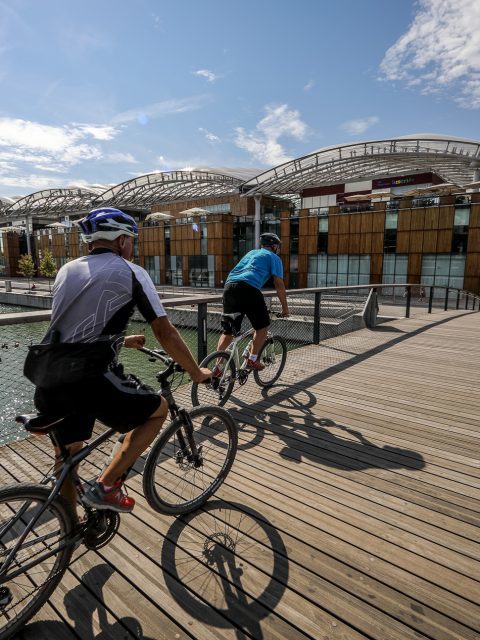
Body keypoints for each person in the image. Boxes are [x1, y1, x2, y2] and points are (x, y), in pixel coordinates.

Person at [32, 207, 211, 514]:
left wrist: (122, 340)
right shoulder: (131, 271)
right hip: (89, 378)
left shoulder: (67, 269)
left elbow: (72, 325)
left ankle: (68, 529)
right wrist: (196, 372)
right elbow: (165, 332)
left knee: (67, 457)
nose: (132, 246)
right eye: (132, 240)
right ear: (121, 241)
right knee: (159, 410)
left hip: (48, 373)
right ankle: (106, 486)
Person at [215, 232, 289, 372]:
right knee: (262, 327)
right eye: (278, 246)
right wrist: (285, 309)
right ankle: (252, 360)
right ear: (274, 246)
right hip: (248, 289)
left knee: (228, 332)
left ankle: (218, 366)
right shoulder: (274, 258)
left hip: (229, 287)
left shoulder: (251, 253)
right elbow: (279, 284)